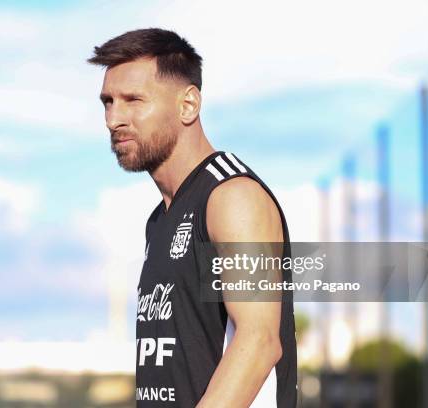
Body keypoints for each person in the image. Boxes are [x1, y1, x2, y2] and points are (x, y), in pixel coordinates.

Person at [88, 28, 297, 407]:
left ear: (188, 105)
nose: (113, 118)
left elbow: (260, 341)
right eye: (108, 102)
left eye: (133, 100)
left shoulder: (233, 198)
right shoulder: (160, 220)